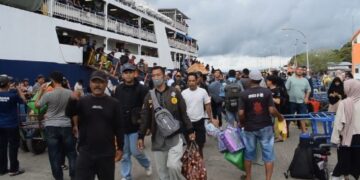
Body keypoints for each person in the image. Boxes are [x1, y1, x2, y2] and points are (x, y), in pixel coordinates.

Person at [137, 66, 195, 180]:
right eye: (153, 76)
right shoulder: (149, 95)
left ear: (164, 76)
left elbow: (183, 113)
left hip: (175, 136)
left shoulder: (175, 92)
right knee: (162, 172)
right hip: (158, 138)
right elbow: (145, 117)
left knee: (173, 166)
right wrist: (141, 135)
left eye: (158, 75)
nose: (156, 77)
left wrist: (190, 129)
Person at [67, 71, 124, 180]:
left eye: (101, 82)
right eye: (94, 82)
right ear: (89, 83)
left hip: (106, 154)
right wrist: (72, 101)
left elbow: (119, 127)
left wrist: (121, 148)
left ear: (106, 84)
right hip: (85, 153)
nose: (97, 85)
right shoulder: (82, 101)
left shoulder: (114, 103)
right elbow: (69, 113)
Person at [238, 70, 284, 180]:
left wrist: (243, 123)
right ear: (260, 80)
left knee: (248, 154)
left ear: (250, 80)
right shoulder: (267, 92)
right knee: (268, 155)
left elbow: (240, 113)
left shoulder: (244, 94)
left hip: (249, 128)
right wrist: (280, 116)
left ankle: (248, 177)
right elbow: (272, 110)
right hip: (266, 127)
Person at [35, 71, 77, 180]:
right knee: (71, 153)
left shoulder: (48, 94)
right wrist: (75, 126)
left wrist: (41, 91)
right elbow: (74, 111)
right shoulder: (70, 93)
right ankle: (74, 175)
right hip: (66, 125)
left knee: (54, 154)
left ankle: (59, 178)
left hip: (51, 126)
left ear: (53, 81)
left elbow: (37, 105)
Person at [113, 64, 152, 180]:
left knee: (136, 152)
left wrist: (148, 125)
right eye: (125, 72)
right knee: (125, 154)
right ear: (122, 75)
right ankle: (126, 176)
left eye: (130, 72)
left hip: (136, 126)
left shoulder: (143, 89)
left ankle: (147, 164)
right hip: (122, 126)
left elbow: (148, 108)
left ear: (135, 73)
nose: (128, 74)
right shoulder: (118, 89)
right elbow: (115, 106)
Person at [330, 79, 360, 180]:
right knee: (357, 159)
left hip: (347, 136)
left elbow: (338, 123)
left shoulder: (344, 103)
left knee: (344, 159)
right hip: (358, 137)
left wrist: (335, 139)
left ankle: (338, 176)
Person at [181, 72, 214, 157]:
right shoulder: (183, 93)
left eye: (193, 80)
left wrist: (210, 117)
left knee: (200, 145)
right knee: (189, 144)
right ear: (187, 82)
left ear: (197, 81)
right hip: (187, 123)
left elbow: (207, 105)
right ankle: (190, 164)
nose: (191, 82)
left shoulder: (203, 91)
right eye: (189, 81)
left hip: (200, 121)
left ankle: (200, 164)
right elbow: (181, 108)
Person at [0, 75, 26, 176]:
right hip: (11, 125)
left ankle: (2, 170)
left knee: (2, 147)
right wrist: (19, 90)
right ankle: (14, 169)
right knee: (13, 147)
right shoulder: (13, 95)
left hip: (0, 125)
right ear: (8, 84)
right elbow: (24, 101)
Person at [285, 66, 311, 133]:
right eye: (298, 69)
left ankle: (304, 131)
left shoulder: (305, 80)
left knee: (302, 116)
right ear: (295, 70)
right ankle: (285, 131)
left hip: (302, 101)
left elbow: (308, 90)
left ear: (303, 71)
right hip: (291, 101)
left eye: (301, 70)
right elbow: (286, 89)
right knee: (289, 116)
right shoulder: (290, 79)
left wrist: (306, 98)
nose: (299, 71)